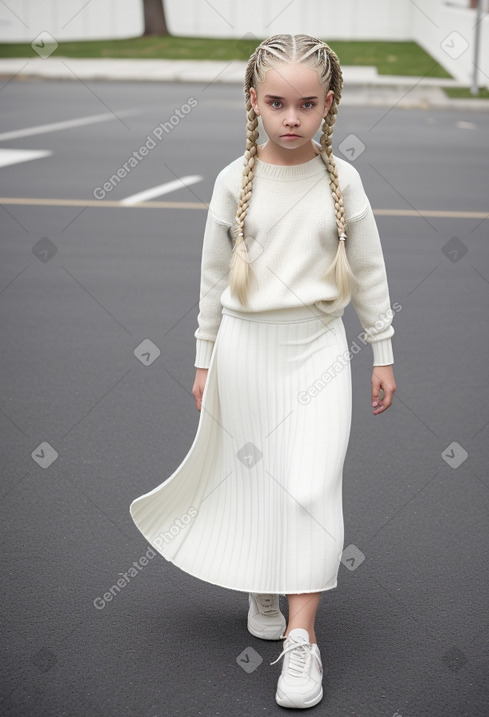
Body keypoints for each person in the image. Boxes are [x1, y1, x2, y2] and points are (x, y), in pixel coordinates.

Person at [130, 33, 397, 710]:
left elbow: (368, 270)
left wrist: (383, 350)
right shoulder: (231, 181)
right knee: (254, 478)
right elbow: (211, 278)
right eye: (276, 102)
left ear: (327, 105)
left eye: (306, 104)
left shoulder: (345, 181)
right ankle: (262, 578)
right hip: (243, 352)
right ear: (252, 101)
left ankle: (301, 640)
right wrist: (201, 357)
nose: (290, 117)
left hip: (318, 351)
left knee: (311, 485)